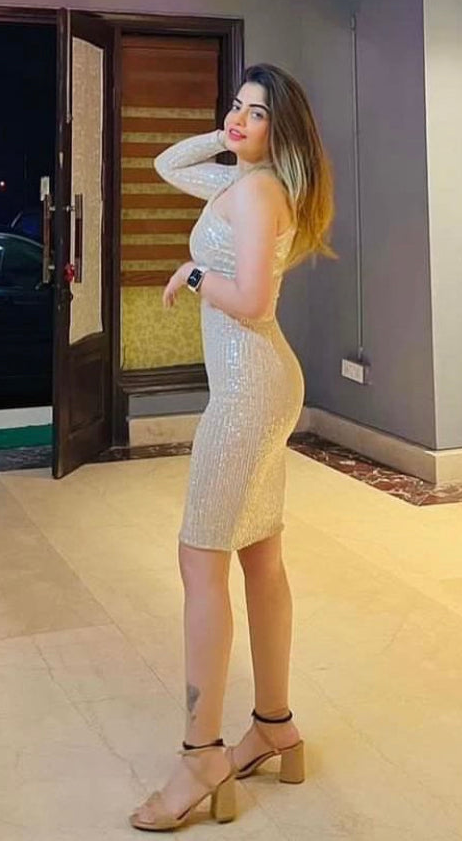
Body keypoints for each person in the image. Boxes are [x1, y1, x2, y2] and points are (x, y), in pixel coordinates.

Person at [128, 64, 335, 832]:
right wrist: (230, 133)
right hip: (260, 382)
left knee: (200, 558)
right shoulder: (243, 182)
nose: (237, 119)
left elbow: (249, 298)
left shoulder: (254, 192)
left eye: (256, 112)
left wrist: (192, 274)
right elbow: (167, 162)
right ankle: (274, 726)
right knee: (259, 556)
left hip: (248, 388)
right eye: (234, 106)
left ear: (285, 130)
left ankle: (200, 754)